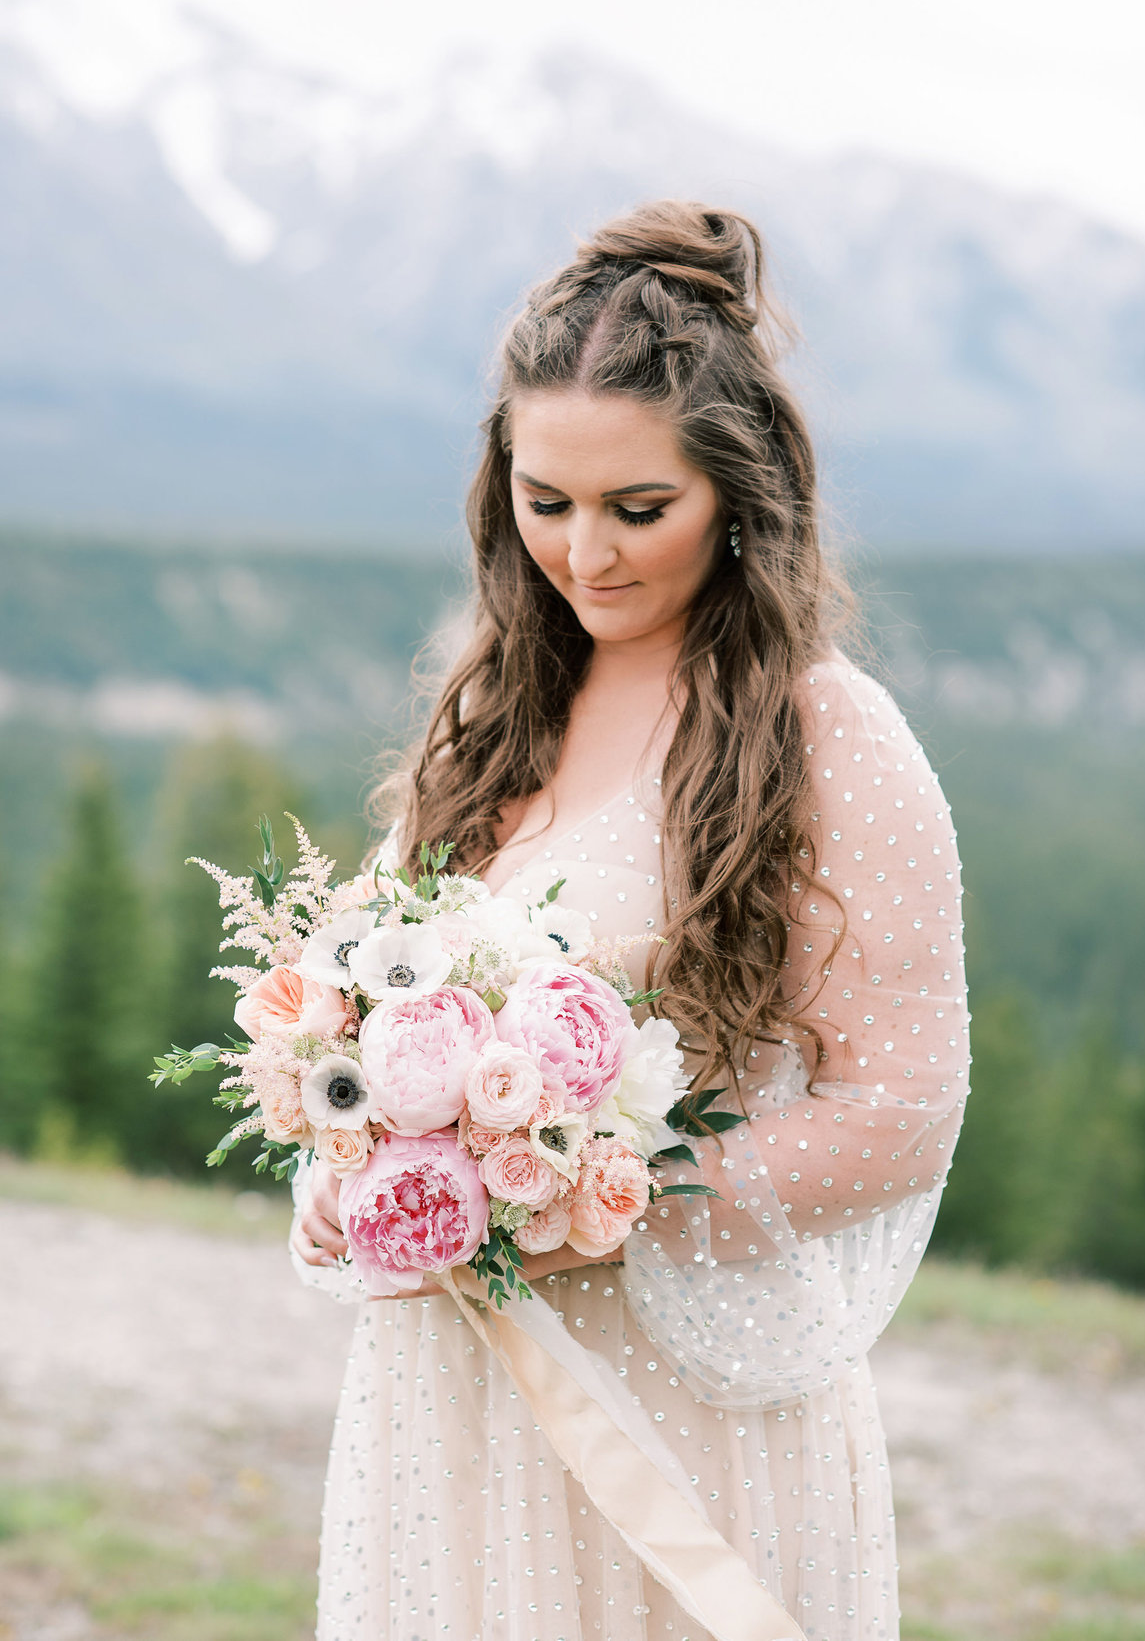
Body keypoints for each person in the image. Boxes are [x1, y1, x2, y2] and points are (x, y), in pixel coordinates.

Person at [291, 200, 970, 1641]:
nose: (584, 552)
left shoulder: (830, 737)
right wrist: (349, 1160)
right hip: (450, 1404)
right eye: (545, 500)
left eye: (638, 509)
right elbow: (366, 999)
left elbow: (901, 1109)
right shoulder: (493, 717)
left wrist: (598, 1198)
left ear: (740, 490)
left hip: (681, 1415)